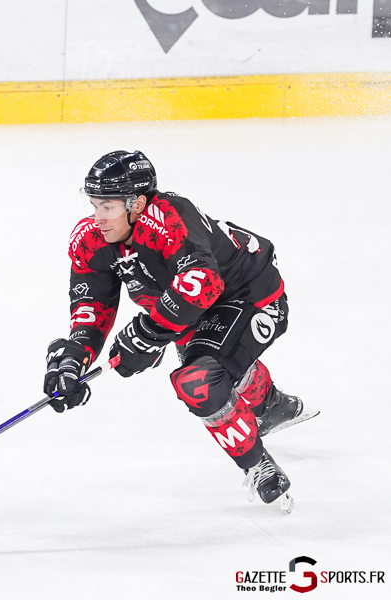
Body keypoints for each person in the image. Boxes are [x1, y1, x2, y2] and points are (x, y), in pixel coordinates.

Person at [43, 150, 316, 512]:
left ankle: (258, 464)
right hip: (186, 310)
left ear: (137, 204)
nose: (98, 217)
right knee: (214, 361)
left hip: (250, 295)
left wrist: (148, 333)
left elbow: (203, 283)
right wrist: (75, 357)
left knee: (199, 381)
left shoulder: (170, 218)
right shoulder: (91, 240)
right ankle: (271, 405)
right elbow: (92, 306)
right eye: (94, 205)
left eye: (107, 207)